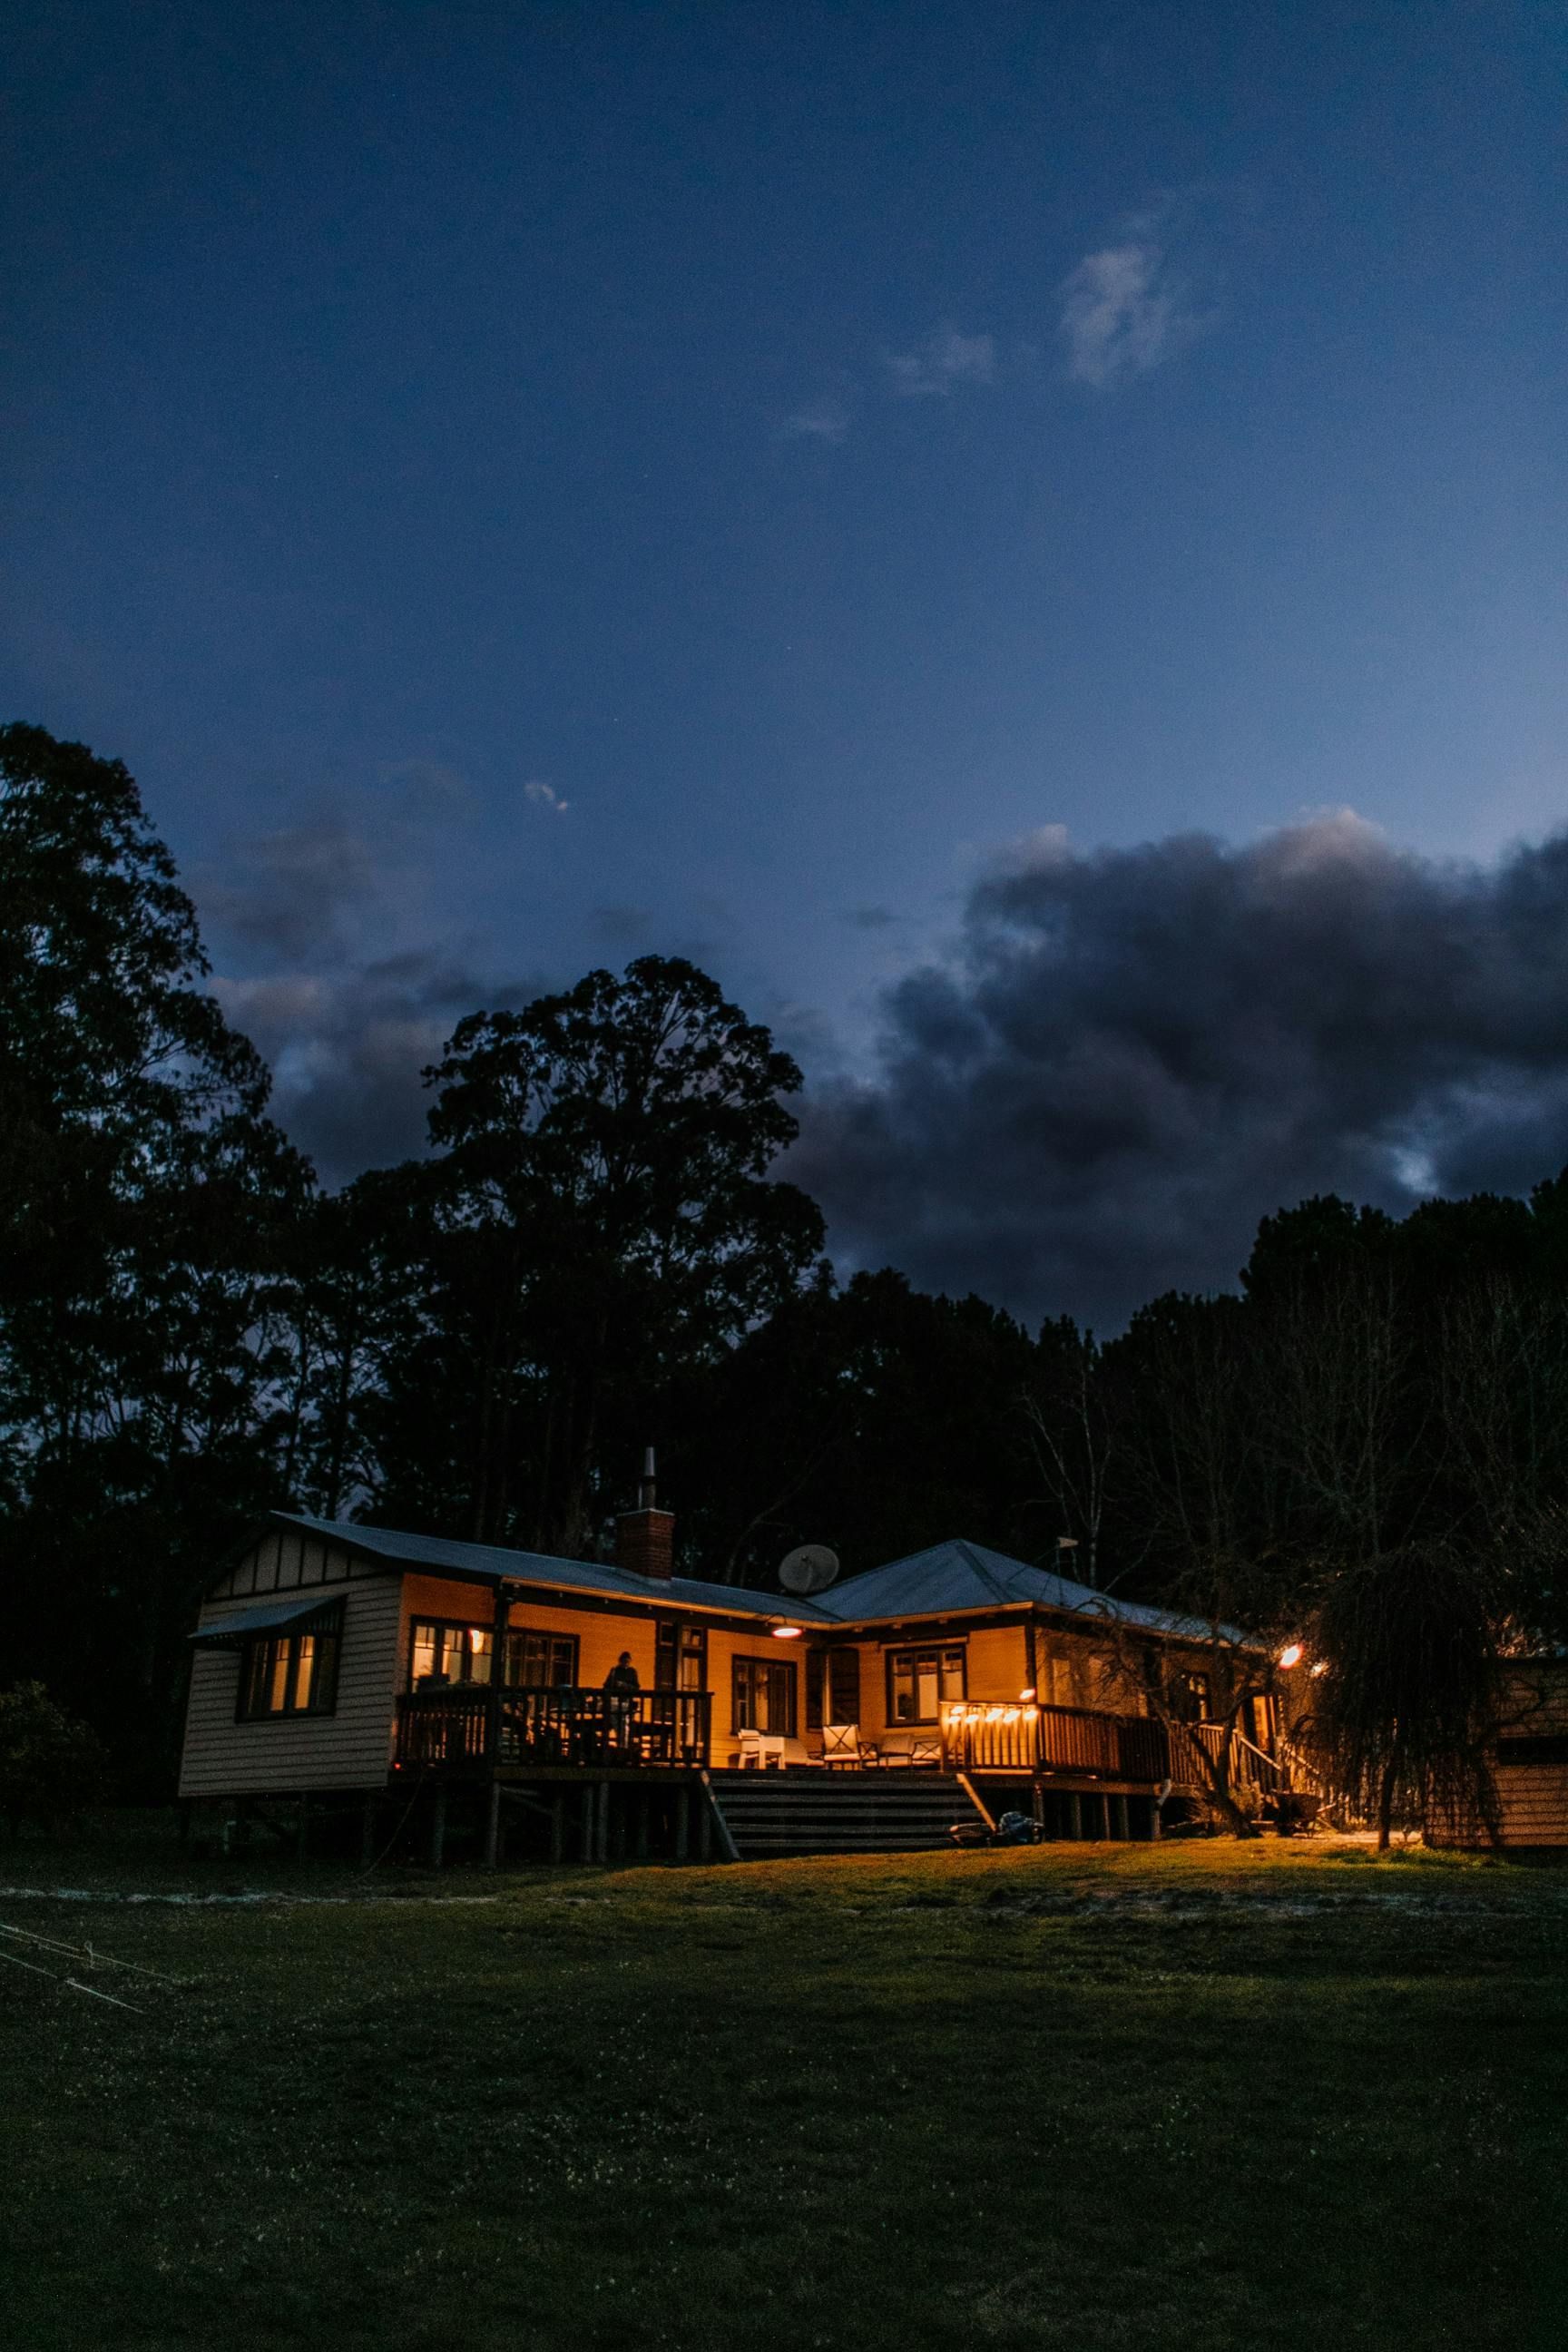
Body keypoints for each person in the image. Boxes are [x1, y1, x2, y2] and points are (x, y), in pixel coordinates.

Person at [603, 1651, 640, 1751]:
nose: (626, 1663)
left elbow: (636, 1687)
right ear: (620, 1661)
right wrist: (614, 1684)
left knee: (624, 1722)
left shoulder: (632, 1672)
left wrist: (624, 1685)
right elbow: (606, 1685)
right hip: (614, 1700)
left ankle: (624, 1746)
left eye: (627, 1661)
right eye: (624, 1661)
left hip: (626, 1701)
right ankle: (621, 1742)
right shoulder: (615, 1671)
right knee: (615, 1721)